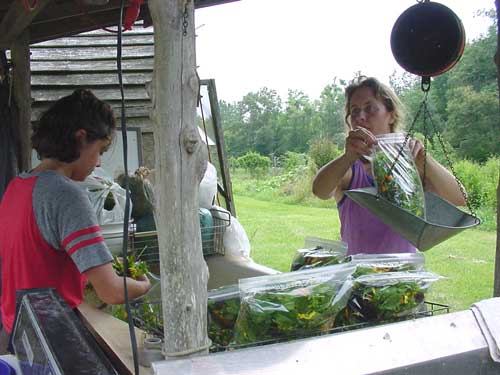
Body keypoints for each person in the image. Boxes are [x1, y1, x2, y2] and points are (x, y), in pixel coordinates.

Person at [0, 89, 151, 351]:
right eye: (100, 149)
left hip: (14, 330)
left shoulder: (16, 187)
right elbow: (112, 291)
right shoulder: (66, 195)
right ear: (81, 138)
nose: (99, 161)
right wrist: (143, 285)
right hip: (52, 338)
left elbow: (35, 257)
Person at [312, 76, 466, 255]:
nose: (360, 117)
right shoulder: (351, 169)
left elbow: (459, 199)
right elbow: (320, 191)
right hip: (358, 278)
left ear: (391, 115)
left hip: (403, 278)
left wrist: (425, 160)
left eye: (370, 108)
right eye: (354, 111)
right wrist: (347, 157)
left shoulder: (408, 167)